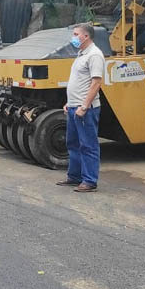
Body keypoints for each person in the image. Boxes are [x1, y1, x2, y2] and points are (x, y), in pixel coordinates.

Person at [57, 23, 105, 193]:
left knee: (88, 145)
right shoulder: (81, 54)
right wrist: (69, 103)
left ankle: (90, 180)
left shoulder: (95, 55)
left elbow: (96, 82)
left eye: (76, 34)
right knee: (73, 143)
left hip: (86, 109)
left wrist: (84, 105)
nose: (73, 37)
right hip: (73, 107)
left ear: (86, 36)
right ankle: (74, 176)